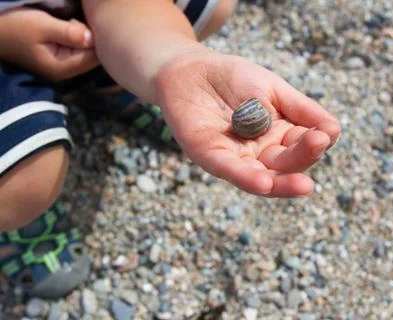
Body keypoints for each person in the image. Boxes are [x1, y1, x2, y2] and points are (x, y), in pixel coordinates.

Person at [0, 0, 341, 298]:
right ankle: (18, 219)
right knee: (22, 184)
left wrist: (175, 62)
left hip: (80, 28)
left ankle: (111, 83)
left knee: (208, 7)